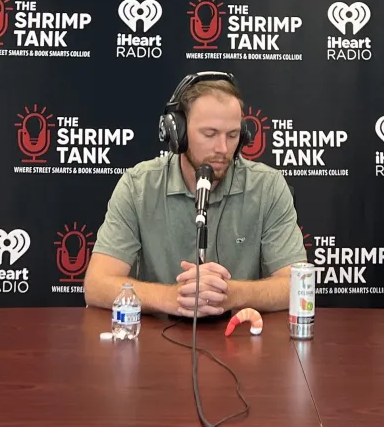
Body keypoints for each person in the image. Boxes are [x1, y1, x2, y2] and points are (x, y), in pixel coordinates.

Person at [85, 72, 305, 317]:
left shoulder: (268, 186)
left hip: (241, 343)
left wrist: (231, 294)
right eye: (209, 134)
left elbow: (296, 285)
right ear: (177, 132)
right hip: (155, 345)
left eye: (232, 135)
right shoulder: (139, 186)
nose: (223, 149)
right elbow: (96, 285)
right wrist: (174, 297)